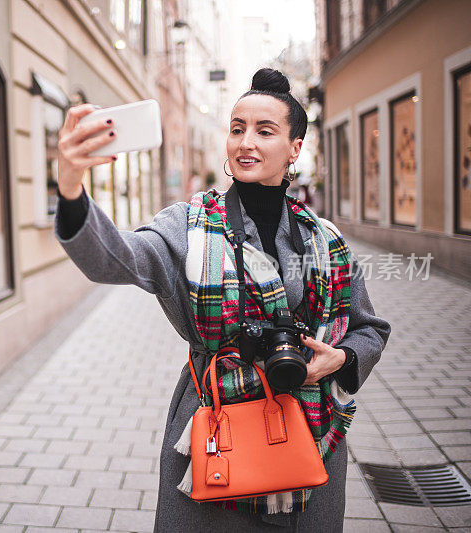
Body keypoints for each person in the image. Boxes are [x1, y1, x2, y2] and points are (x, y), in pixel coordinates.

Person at [53, 68, 391, 532]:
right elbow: (115, 259)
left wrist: (341, 357)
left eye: (264, 130)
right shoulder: (188, 224)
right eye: (237, 128)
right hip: (216, 428)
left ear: (295, 149)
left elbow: (368, 327)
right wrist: (71, 188)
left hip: (314, 436)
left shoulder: (324, 238)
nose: (245, 142)